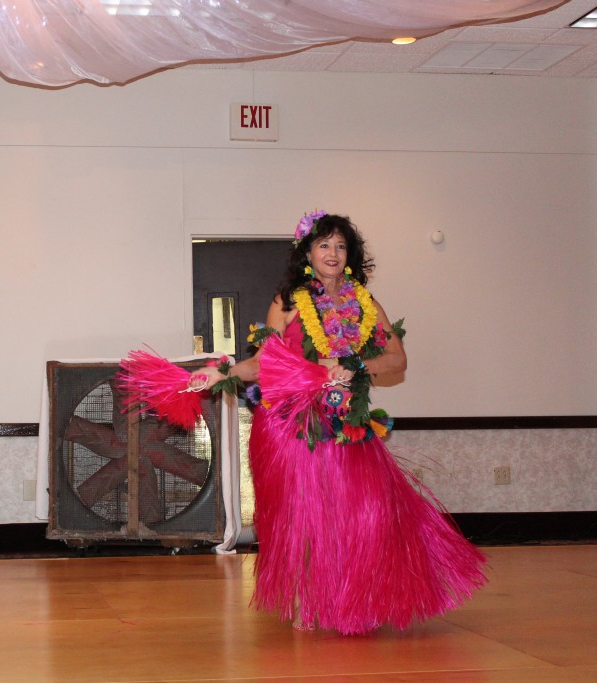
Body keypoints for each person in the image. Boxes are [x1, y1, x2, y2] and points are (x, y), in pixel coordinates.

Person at [193, 211, 486, 635]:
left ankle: (360, 595)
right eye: (324, 245)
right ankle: (309, 598)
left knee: (370, 510)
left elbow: (397, 360)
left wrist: (355, 364)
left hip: (347, 421)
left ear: (350, 255)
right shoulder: (288, 302)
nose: (333, 253)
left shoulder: (365, 304)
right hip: (292, 424)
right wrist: (222, 372)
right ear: (308, 253)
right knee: (305, 515)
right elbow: (264, 364)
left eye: (341, 245)